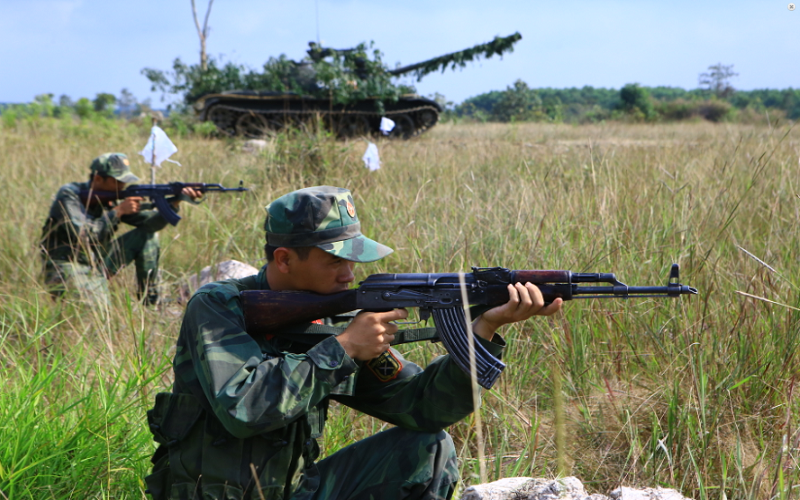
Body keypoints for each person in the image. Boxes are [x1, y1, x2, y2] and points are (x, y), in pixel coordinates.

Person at [144, 186, 563, 500]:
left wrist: (481, 332)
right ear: (285, 259)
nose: (349, 274)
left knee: (427, 448)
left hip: (297, 492)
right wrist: (342, 350)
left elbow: (422, 407)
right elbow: (243, 407)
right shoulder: (219, 306)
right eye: (334, 260)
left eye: (354, 260)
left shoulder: (335, 317)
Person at [40, 152, 200, 305]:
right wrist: (118, 212)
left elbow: (150, 225)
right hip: (67, 264)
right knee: (96, 315)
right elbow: (85, 235)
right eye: (117, 181)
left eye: (124, 181)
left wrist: (174, 203)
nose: (122, 185)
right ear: (98, 179)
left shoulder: (114, 197)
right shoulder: (70, 195)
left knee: (147, 236)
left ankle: (151, 302)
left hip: (98, 261)